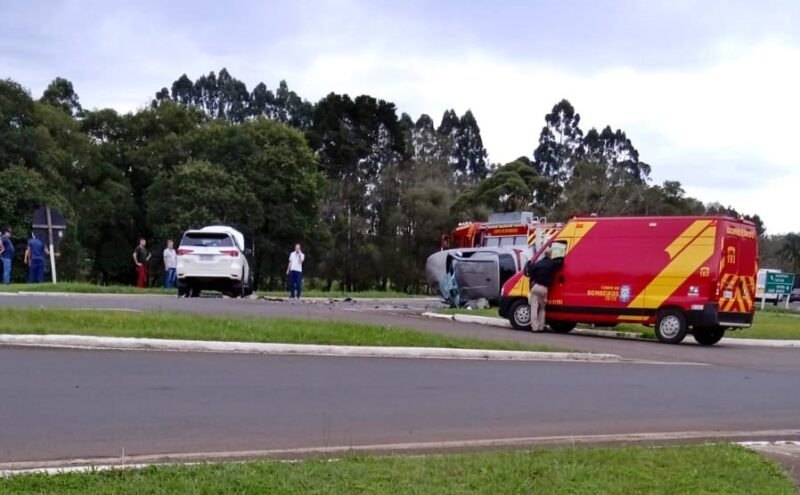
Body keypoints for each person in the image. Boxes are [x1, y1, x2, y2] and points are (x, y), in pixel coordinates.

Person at [525, 248, 564, 332]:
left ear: (544, 255)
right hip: (544, 289)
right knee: (542, 308)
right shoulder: (552, 264)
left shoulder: (538, 263)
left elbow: (531, 272)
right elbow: (561, 264)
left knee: (534, 308)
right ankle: (541, 327)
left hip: (535, 288)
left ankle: (534, 328)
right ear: (550, 254)